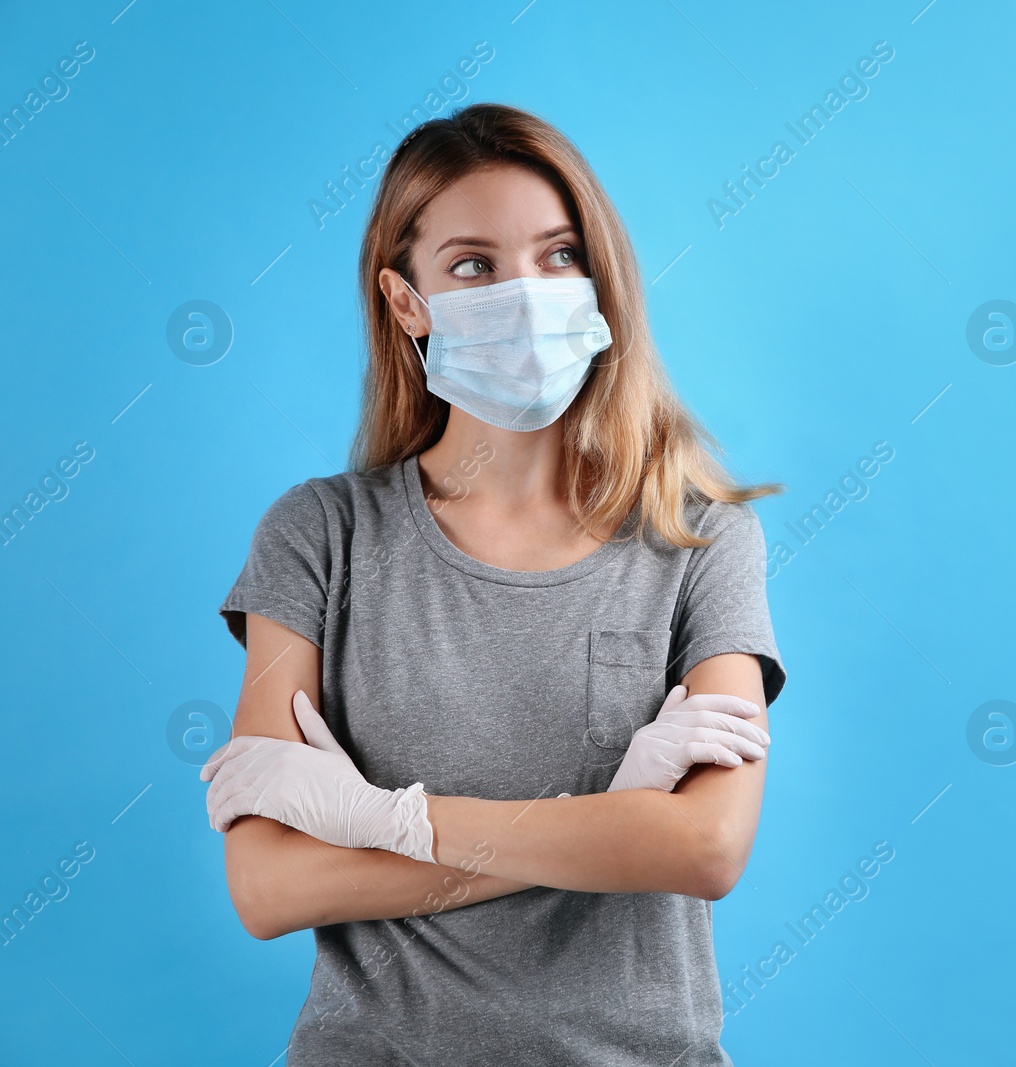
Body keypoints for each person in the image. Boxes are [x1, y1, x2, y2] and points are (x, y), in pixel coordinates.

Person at [201, 102, 787, 1066]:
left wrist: (383, 822)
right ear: (406, 301)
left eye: (559, 255)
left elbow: (705, 848)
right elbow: (269, 887)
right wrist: (613, 812)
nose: (527, 291)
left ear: (600, 278)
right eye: (473, 265)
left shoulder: (701, 538)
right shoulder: (320, 537)